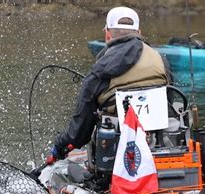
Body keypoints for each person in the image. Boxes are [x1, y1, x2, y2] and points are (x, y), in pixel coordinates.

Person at [45, 6, 173, 165]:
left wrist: (59, 146)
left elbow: (80, 131)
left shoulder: (98, 71)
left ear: (107, 34)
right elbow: (169, 105)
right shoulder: (161, 60)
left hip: (115, 154)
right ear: (139, 32)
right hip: (156, 143)